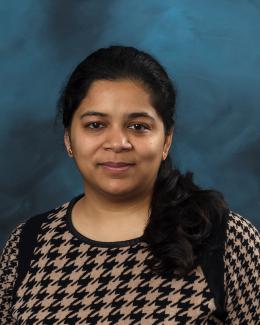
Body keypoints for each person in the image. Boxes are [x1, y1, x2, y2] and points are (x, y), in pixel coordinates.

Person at [0, 45, 259, 324]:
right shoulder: (28, 243)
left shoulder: (224, 240)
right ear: (68, 140)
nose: (118, 143)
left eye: (138, 126)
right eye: (96, 125)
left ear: (166, 140)